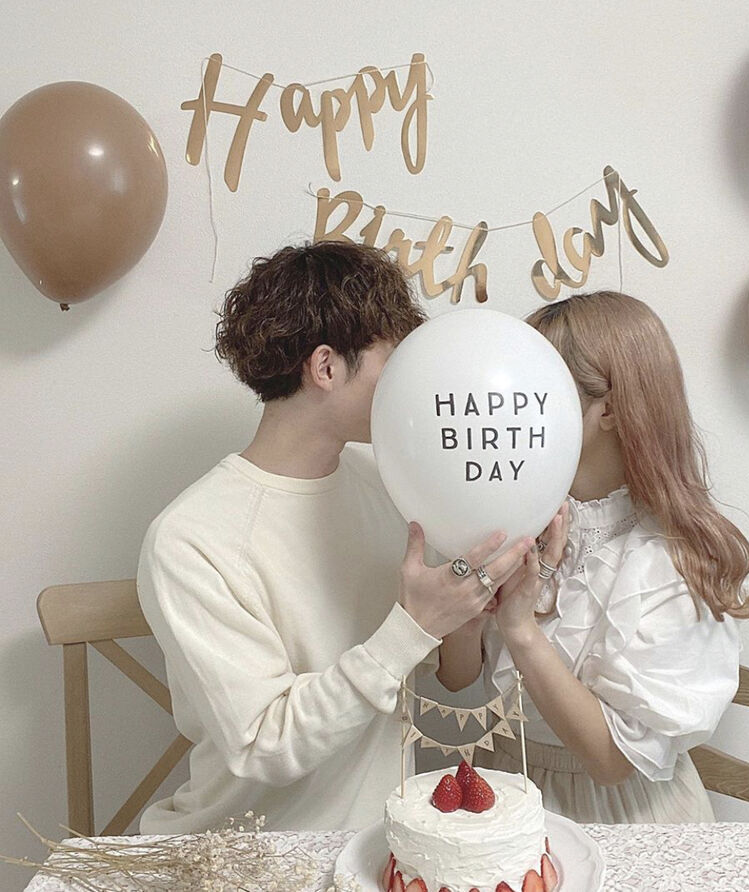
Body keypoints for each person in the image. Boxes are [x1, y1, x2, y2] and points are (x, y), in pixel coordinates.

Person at [136, 241, 532, 834]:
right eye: (393, 363)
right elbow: (266, 745)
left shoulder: (390, 487)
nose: (413, 386)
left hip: (379, 847)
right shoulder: (190, 539)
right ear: (326, 368)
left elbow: (441, 701)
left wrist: (464, 625)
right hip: (248, 857)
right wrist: (414, 627)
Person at [437, 290, 749, 824]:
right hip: (508, 794)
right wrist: (469, 610)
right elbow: (457, 679)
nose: (516, 404)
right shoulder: (519, 516)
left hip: (623, 815)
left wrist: (520, 628)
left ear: (609, 408)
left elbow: (612, 761)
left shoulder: (673, 556)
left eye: (539, 386)